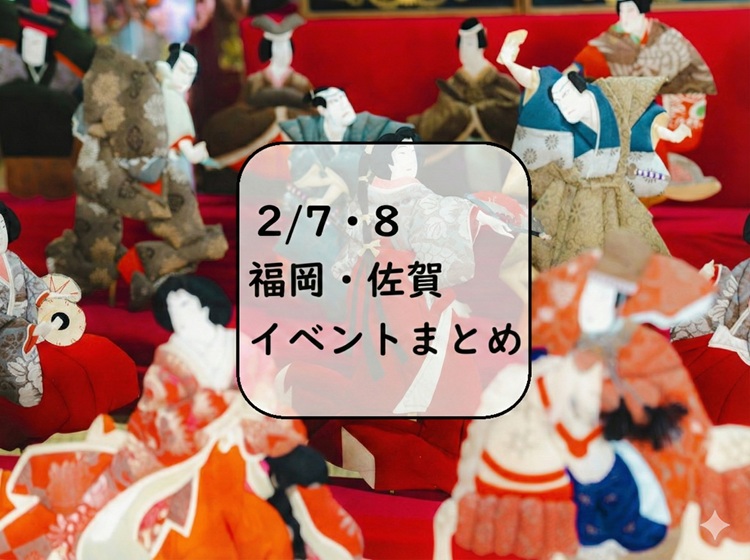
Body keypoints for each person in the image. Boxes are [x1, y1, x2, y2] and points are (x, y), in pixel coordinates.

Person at [0, 275, 364, 559]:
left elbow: (267, 400)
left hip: (245, 447)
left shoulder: (241, 347)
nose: (180, 315)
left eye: (186, 305)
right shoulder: (172, 355)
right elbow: (156, 413)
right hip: (185, 455)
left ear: (206, 306)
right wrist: (209, 415)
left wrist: (271, 437)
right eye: (173, 310)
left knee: (292, 505)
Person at [277, 128, 525, 493]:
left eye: (413, 154)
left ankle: (422, 422)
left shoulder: (407, 193)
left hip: (400, 286)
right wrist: (475, 217)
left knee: (427, 371)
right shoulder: (378, 196)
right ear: (387, 159)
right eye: (403, 154)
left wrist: (478, 216)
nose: (411, 160)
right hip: (395, 290)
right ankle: (411, 431)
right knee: (415, 367)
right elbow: (436, 220)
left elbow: (443, 215)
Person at [46, 43, 228, 310]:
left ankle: (134, 267)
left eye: (192, 74)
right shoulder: (162, 94)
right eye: (183, 69)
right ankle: (134, 267)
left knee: (191, 236)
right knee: (195, 239)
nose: (186, 78)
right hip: (125, 175)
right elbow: (184, 146)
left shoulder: (152, 91)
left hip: (130, 173)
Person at [497, 30, 691, 271]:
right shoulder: (568, 119)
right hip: (575, 196)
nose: (564, 107)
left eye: (566, 98)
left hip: (613, 195)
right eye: (559, 102)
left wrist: (670, 133)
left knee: (630, 252)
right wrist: (510, 63)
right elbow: (535, 81)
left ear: (582, 92)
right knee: (568, 251)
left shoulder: (613, 103)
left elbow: (640, 121)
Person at [0, 202, 138, 450]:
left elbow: (34, 287)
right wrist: (26, 331)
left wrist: (48, 303)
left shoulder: (12, 260)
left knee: (96, 353)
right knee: (46, 380)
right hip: (9, 339)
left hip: (33, 325)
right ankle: (31, 432)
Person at [570, 0, 719, 204]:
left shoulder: (666, 38)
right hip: (620, 108)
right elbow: (585, 63)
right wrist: (569, 75)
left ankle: (660, 173)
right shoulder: (611, 40)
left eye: (630, 10)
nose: (625, 16)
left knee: (654, 123)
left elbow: (687, 68)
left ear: (642, 10)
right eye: (622, 11)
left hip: (661, 103)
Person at [201, 12, 314, 179]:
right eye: (278, 47)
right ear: (268, 49)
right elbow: (243, 108)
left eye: (285, 47)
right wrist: (270, 111)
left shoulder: (300, 82)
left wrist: (285, 110)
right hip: (258, 124)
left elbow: (311, 108)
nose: (283, 53)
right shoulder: (255, 81)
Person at [408, 18, 520, 148]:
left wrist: (477, 112)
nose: (464, 49)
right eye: (462, 44)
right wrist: (466, 113)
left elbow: (511, 112)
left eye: (470, 44)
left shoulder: (502, 84)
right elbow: (443, 113)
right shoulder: (453, 84)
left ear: (481, 45)